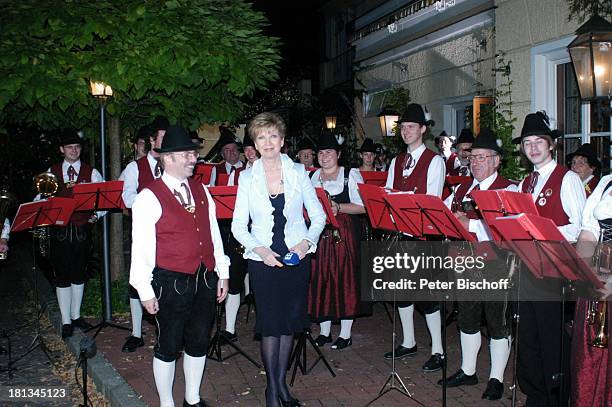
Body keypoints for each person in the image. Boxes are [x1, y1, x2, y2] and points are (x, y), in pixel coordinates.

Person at [129, 125, 229, 407]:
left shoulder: (201, 189)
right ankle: (167, 403)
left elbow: (213, 233)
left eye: (193, 153)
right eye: (186, 154)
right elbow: (142, 248)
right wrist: (144, 290)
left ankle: (192, 398)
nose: (193, 158)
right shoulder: (149, 196)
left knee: (199, 341)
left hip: (205, 277)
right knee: (168, 345)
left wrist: (223, 272)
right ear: (167, 158)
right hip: (170, 280)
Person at [232, 112, 325, 407]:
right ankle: (272, 391)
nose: (268, 142)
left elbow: (319, 215)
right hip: (264, 260)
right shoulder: (247, 177)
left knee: (289, 324)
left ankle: (281, 385)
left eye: (273, 136)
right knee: (271, 325)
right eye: (261, 137)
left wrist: (305, 243)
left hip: (296, 259)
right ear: (255, 144)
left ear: (282, 141)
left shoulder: (299, 172)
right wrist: (260, 251)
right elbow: (237, 226)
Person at [513, 111, 585, 406]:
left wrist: (542, 230)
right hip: (529, 269)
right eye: (527, 142)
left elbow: (579, 228)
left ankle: (555, 396)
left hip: (554, 269)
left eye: (538, 141)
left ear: (551, 145)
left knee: (550, 338)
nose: (532, 148)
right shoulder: (525, 183)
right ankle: (536, 393)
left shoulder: (567, 179)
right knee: (528, 336)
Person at [441, 128, 514, 400]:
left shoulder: (509, 188)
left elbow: (505, 229)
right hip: (465, 262)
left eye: (483, 158)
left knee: (497, 322)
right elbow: (444, 213)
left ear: (497, 161)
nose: (476, 162)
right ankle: (468, 370)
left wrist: (468, 223)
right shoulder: (462, 187)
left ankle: (496, 378)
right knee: (467, 318)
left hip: (496, 263)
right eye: (473, 158)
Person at [383, 103, 445, 372]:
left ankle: (439, 350)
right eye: (403, 128)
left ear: (423, 129)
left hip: (422, 238)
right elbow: (386, 196)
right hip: (399, 235)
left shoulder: (435, 161)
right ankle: (408, 341)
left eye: (411, 127)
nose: (406, 132)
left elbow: (431, 201)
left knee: (428, 295)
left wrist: (401, 201)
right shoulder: (396, 161)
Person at [309, 133, 368, 350]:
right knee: (320, 278)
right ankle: (324, 331)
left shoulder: (350, 175)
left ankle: (345, 333)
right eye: (321, 153)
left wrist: (339, 207)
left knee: (344, 279)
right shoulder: (312, 177)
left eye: (329, 152)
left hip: (344, 235)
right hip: (320, 235)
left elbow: (364, 207)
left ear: (338, 154)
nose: (324, 157)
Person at [46, 131, 104, 338]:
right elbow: (40, 199)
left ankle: (76, 315)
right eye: (69, 147)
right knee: (62, 275)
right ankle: (65, 321)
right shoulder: (51, 172)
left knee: (80, 273)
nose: (74, 150)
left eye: (77, 147)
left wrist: (95, 217)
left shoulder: (92, 172)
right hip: (59, 232)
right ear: (62, 150)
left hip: (81, 231)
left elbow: (104, 198)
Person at [118, 117, 168, 353]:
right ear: (151, 140)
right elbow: (126, 196)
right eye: (162, 136)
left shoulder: (172, 164)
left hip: (168, 235)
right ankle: (137, 332)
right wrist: (150, 204)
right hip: (144, 231)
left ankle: (164, 331)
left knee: (165, 281)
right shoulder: (134, 167)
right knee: (139, 279)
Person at [572, 174, 612, 406]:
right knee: (588, 360)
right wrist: (584, 269)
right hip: (598, 278)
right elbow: (589, 230)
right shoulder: (607, 181)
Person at [210, 131, 247, 341]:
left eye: (233, 149)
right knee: (229, 274)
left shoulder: (249, 170)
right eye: (226, 151)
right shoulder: (217, 171)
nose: (230, 153)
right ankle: (229, 328)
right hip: (225, 227)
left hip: (248, 228)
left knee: (242, 276)